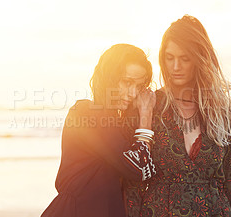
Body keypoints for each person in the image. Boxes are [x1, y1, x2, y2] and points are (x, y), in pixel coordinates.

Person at [124, 15, 231, 216]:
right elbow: (131, 184)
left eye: (184, 59)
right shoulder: (148, 107)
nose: (175, 67)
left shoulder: (222, 114)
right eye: (170, 58)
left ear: (199, 58)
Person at [41, 44, 156, 217]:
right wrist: (146, 115)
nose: (133, 93)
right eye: (127, 82)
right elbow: (140, 168)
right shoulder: (87, 113)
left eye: (139, 87)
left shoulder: (115, 122)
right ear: (109, 78)